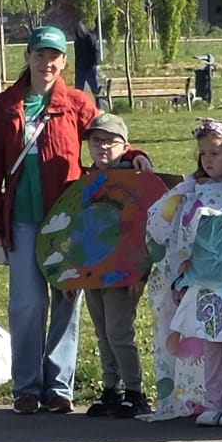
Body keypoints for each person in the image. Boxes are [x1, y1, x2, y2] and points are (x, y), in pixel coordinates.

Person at [0, 24, 103, 415]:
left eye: (54, 56)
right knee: (28, 304)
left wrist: (133, 156)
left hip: (65, 219)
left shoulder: (76, 103)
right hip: (22, 219)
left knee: (66, 299)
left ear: (64, 61)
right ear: (28, 57)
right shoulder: (6, 105)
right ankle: (27, 387)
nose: (46, 63)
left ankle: (59, 387)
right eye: (40, 54)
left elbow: (107, 138)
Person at [144, 121, 222, 422]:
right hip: (202, 282)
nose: (208, 160)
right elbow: (164, 223)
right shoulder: (192, 188)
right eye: (203, 154)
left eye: (215, 153)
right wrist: (180, 274)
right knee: (209, 346)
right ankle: (209, 401)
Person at [76, 112, 157, 419]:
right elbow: (78, 227)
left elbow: (146, 229)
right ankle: (111, 388)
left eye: (110, 141)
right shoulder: (87, 179)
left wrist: (140, 271)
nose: (102, 147)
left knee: (119, 331)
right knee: (102, 333)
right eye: (96, 141)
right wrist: (72, 274)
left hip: (124, 270)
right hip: (92, 267)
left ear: (125, 145)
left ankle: (135, 392)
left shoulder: (135, 178)